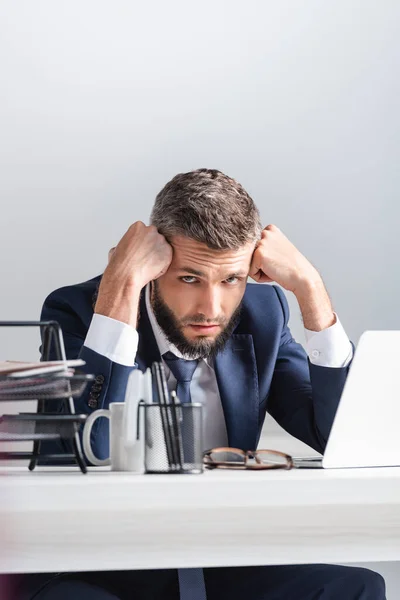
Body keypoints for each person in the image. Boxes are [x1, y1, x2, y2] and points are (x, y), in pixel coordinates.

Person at [23, 169, 385, 599]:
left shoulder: (263, 312)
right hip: (104, 567)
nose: (211, 308)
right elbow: (92, 448)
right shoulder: (81, 310)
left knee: (358, 588)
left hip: (221, 557)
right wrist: (120, 286)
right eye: (190, 278)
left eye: (231, 279)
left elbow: (337, 436)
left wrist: (310, 290)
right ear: (154, 268)